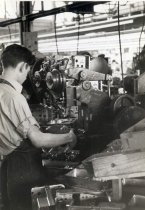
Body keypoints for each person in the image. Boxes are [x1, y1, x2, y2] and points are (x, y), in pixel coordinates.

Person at [0, 44, 76, 210]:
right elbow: (38, 140)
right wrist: (69, 136)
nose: (28, 76)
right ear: (23, 66)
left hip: (7, 167)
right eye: (28, 71)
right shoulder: (14, 98)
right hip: (23, 168)